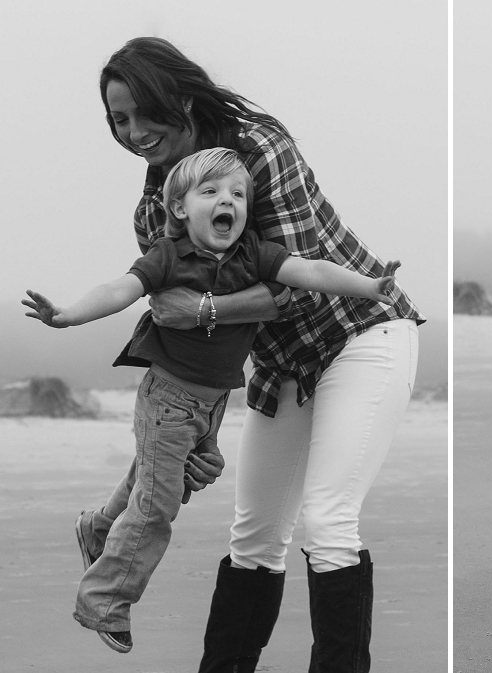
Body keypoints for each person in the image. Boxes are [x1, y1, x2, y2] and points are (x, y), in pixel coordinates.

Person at [92, 37, 424, 672]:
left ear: (182, 99)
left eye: (142, 112)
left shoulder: (260, 148)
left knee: (328, 523)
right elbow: (184, 337)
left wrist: (208, 309)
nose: (133, 133)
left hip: (360, 334)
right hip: (280, 368)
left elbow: (294, 286)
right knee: (254, 537)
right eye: (118, 119)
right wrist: (188, 430)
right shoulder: (155, 209)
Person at [22, 147, 401, 654]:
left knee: (157, 481)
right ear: (179, 208)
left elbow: (312, 272)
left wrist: (370, 285)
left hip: (213, 405)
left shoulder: (254, 254)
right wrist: (68, 315)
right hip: (168, 400)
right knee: (158, 505)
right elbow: (119, 288)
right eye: (211, 192)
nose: (229, 201)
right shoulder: (168, 257)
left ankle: (100, 527)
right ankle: (104, 601)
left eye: (238, 194)